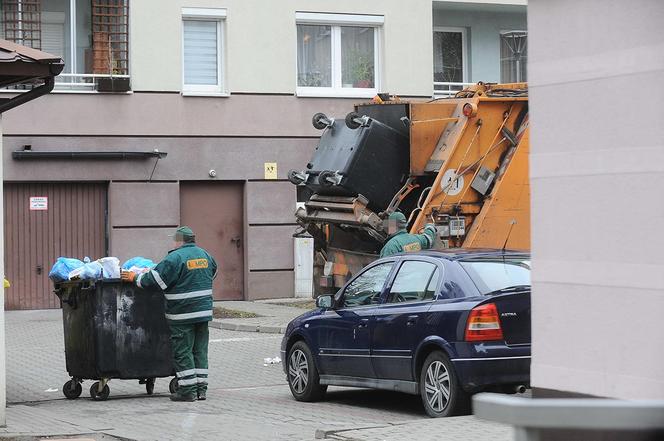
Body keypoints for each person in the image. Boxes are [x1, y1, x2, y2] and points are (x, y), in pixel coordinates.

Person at [121, 226, 217, 402]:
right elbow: (213, 272)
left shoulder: (175, 258)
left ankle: (187, 391)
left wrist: (134, 278)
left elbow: (153, 280)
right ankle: (201, 389)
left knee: (183, 351)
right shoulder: (205, 255)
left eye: (174, 239)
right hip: (203, 312)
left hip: (183, 313)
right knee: (200, 350)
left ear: (179, 240)